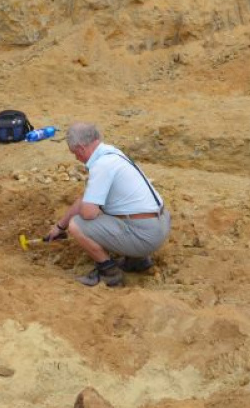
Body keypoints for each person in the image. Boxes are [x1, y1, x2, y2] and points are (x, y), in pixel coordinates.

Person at [42, 122, 171, 287]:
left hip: (146, 237)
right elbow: (86, 199)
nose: (76, 158)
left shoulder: (101, 166)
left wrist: (69, 225)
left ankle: (108, 273)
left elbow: (88, 213)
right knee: (109, 208)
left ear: (81, 148)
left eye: (74, 153)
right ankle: (136, 261)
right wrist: (59, 227)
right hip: (160, 224)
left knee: (77, 225)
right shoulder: (112, 153)